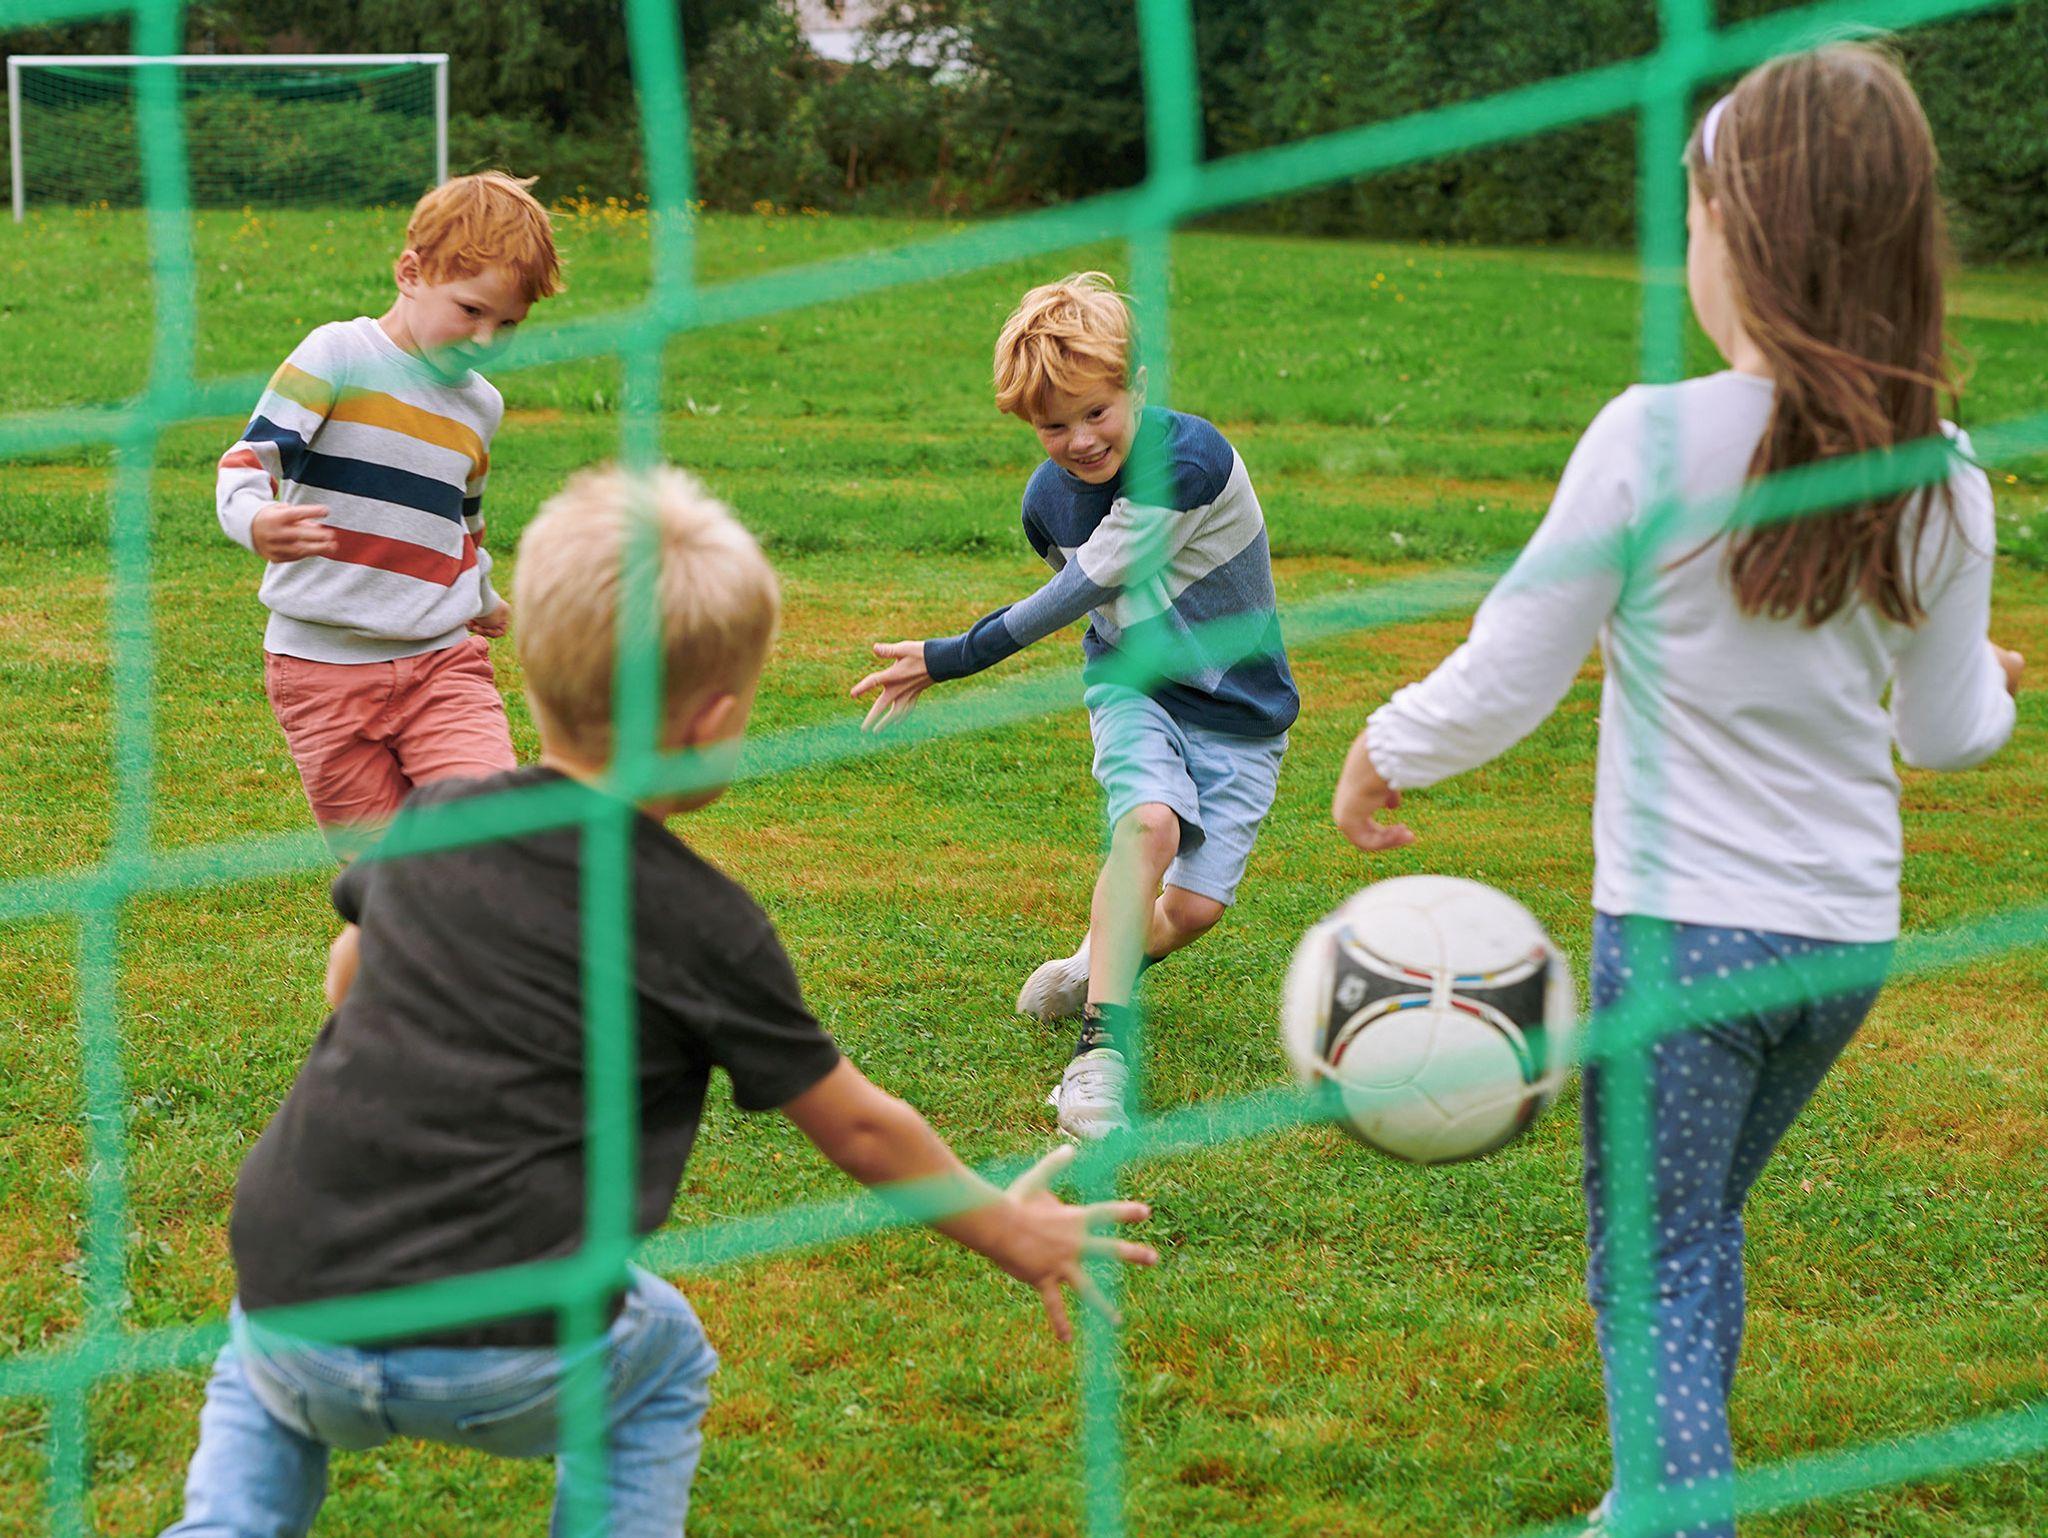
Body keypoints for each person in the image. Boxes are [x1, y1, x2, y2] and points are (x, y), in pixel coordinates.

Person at [161, 463, 1157, 1536]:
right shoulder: (703, 923)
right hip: (513, 1351)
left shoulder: (440, 817)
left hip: (292, 1298)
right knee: (664, 1355)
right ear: (712, 721)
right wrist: (1008, 1230)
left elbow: (347, 974)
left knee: (261, 1373)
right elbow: (862, 1129)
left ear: (532, 671)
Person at [1328, 44, 2021, 1538]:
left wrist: (1388, 743)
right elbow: (1946, 734)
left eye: (1696, 218)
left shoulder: (1650, 438)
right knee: (1694, 1228)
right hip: (1841, 946)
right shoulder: (1945, 474)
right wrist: (1996, 682)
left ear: (1748, 240)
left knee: (1651, 1259)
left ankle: (1672, 1514)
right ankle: (1646, 1499)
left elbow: (1512, 666)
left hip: (1684, 944)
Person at [851, 272, 1299, 1140]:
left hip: (1241, 707)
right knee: (1149, 825)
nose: (1081, 440)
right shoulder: (1046, 502)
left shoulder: (1189, 462)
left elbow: (1085, 584)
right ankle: (1099, 1058)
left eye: (1098, 412)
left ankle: (1095, 964)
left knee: (1194, 909)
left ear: (1138, 389)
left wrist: (952, 656)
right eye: (1054, 426)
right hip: (1133, 685)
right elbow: (1100, 610)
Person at [215, 171, 563, 854]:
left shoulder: (481, 405)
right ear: (410, 273)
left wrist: (482, 594)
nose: (485, 340)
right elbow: (248, 461)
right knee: (381, 875)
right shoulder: (338, 356)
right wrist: (253, 520)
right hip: (321, 674)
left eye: (507, 324)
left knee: (486, 838)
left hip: (442, 663)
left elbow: (461, 521)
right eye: (471, 310)